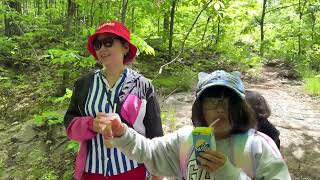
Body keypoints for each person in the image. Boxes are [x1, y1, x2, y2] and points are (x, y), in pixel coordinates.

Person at [102, 70, 291, 179]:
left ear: (240, 108)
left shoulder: (258, 146)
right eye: (212, 101)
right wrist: (122, 133)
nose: (220, 109)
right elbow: (150, 151)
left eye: (228, 102)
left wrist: (229, 174)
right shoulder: (186, 139)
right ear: (200, 109)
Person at [64, 20, 164, 180]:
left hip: (132, 171)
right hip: (92, 172)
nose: (102, 48)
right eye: (98, 44)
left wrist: (158, 175)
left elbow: (156, 135)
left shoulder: (143, 86)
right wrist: (91, 124)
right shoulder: (84, 84)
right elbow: (69, 124)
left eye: (108, 42)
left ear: (125, 47)